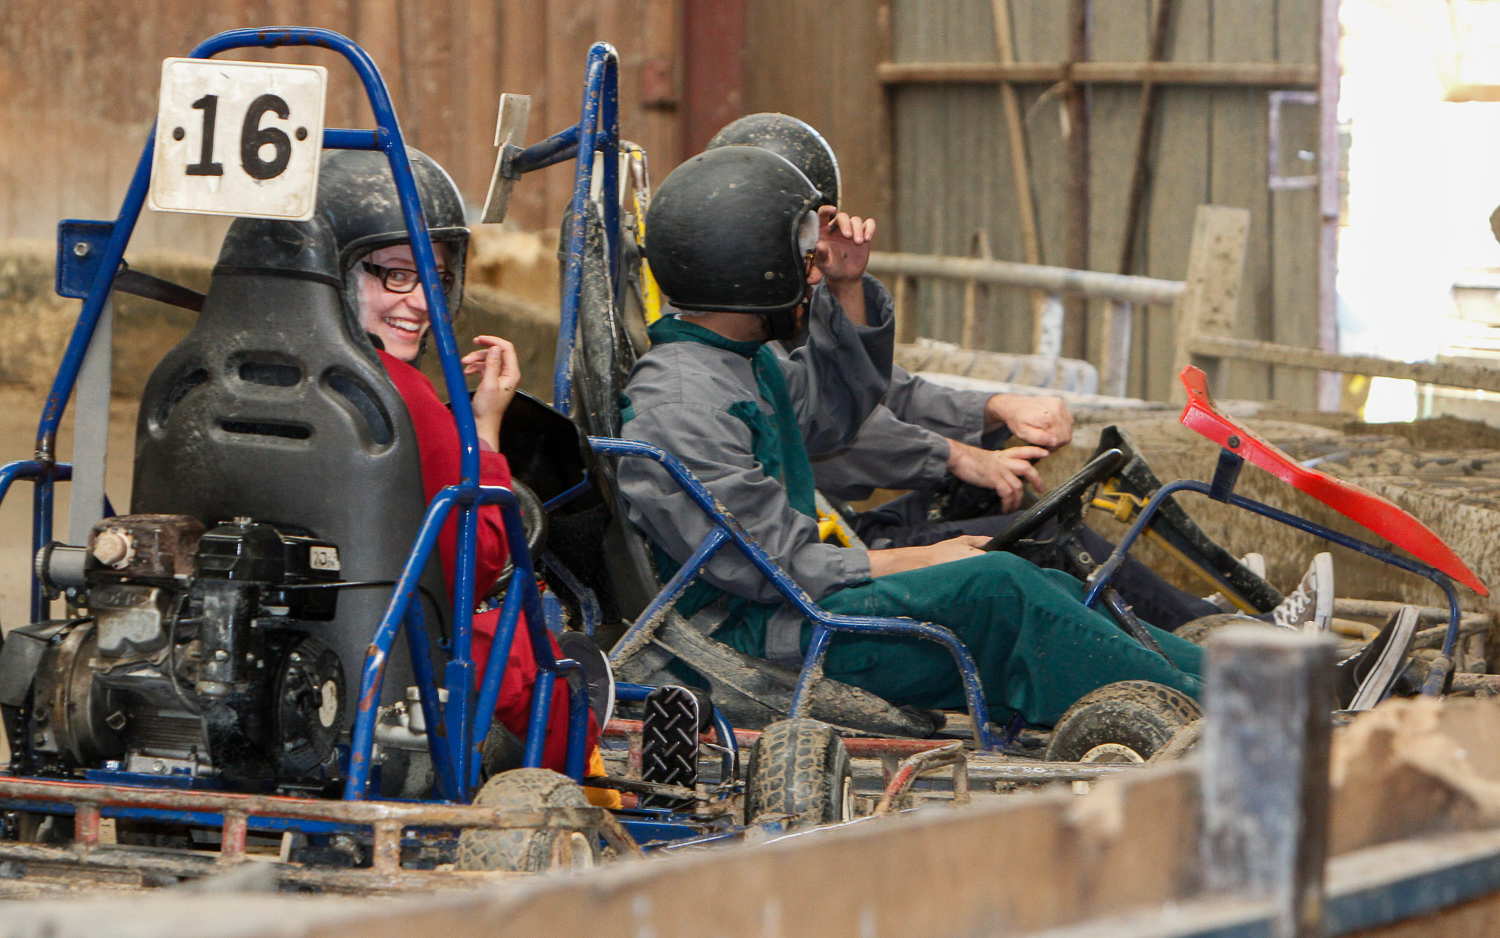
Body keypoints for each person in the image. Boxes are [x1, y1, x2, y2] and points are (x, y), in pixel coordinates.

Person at [615, 145, 1205, 729]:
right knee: (998, 590)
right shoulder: (685, 403)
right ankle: (1224, 713)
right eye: (803, 260)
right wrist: (923, 556)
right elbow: (776, 565)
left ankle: (1227, 676)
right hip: (754, 637)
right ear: (750, 271)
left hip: (788, 605)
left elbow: (840, 410)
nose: (812, 272)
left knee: (1040, 580)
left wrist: (848, 287)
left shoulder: (736, 361)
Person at [706, 113, 1332, 633]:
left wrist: (993, 408)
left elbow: (882, 388)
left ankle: (1182, 616)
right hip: (827, 555)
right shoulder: (737, 333)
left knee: (1008, 492)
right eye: (808, 231)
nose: (819, 248)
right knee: (1041, 537)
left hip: (829, 532)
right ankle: (1223, 635)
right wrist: (956, 456)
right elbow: (831, 430)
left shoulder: (781, 304)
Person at [318, 149, 602, 779]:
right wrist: (485, 433)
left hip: (281, 656)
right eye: (394, 274)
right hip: (397, 672)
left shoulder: (211, 381)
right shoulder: (402, 397)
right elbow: (479, 560)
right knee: (535, 642)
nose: (421, 302)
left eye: (434, 276)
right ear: (332, 270)